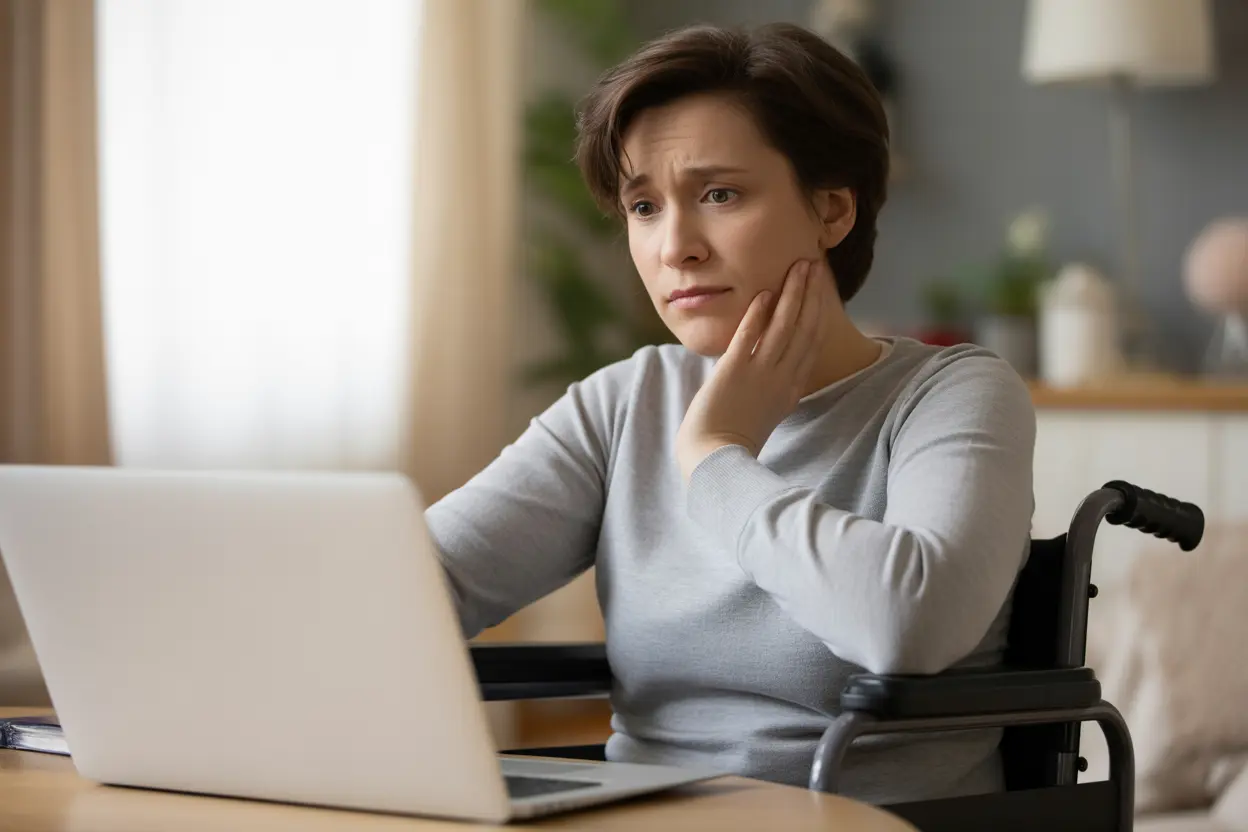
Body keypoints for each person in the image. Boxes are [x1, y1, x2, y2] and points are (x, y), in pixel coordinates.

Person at [425, 22, 1036, 805]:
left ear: (833, 211)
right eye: (644, 206)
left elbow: (909, 627)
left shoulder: (953, 393)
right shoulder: (625, 402)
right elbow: (423, 583)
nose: (674, 245)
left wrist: (717, 455)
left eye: (719, 194)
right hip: (637, 819)